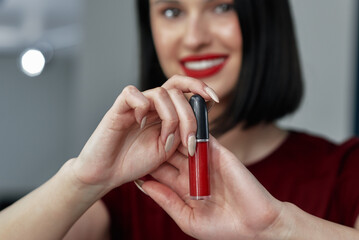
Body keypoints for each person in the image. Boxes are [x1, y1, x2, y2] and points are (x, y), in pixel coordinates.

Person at [1, 0, 359, 239]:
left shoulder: (347, 170)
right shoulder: (131, 186)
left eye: (222, 6)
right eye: (171, 11)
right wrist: (82, 179)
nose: (195, 38)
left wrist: (277, 227)